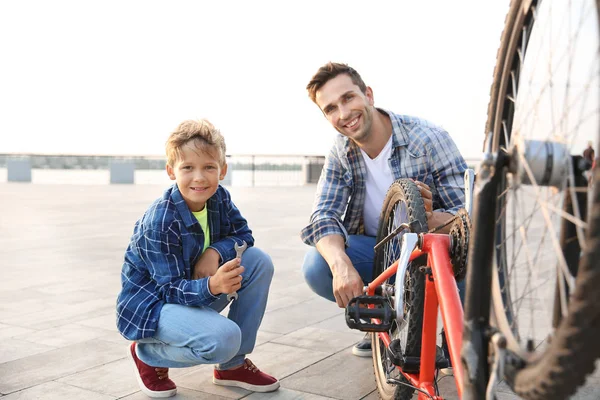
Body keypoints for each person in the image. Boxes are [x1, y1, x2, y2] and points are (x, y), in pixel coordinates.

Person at [300, 62, 467, 358]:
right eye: (330, 109)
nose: (343, 114)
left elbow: (468, 217)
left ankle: (457, 332)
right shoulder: (342, 152)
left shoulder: (428, 138)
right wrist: (341, 267)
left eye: (349, 98)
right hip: (381, 254)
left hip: (432, 251)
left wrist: (429, 220)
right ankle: (381, 321)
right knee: (317, 266)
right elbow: (323, 216)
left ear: (368, 94)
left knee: (465, 350)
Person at [116, 119, 279, 398]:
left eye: (209, 167)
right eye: (187, 168)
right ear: (171, 171)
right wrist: (213, 286)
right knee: (225, 339)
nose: (199, 178)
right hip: (155, 307)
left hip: (191, 290)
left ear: (222, 170)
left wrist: (213, 252)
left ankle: (232, 366)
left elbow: (243, 235)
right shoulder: (161, 220)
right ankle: (148, 354)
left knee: (258, 261)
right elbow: (168, 290)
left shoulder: (219, 199)